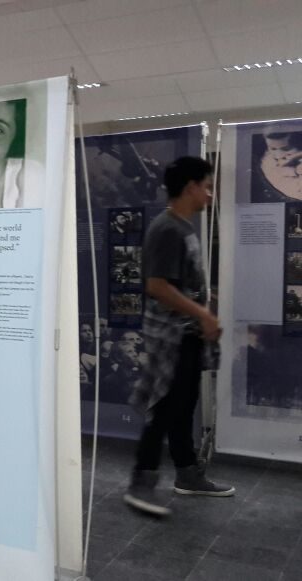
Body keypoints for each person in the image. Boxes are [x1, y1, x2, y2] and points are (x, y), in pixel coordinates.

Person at [124, 156, 234, 516]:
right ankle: (141, 484)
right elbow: (157, 286)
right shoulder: (167, 229)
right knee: (165, 407)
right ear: (190, 187)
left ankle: (187, 473)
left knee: (183, 405)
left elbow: (176, 284)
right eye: (207, 187)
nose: (210, 195)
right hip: (171, 336)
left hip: (185, 334)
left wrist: (202, 306)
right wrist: (202, 313)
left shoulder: (182, 228)